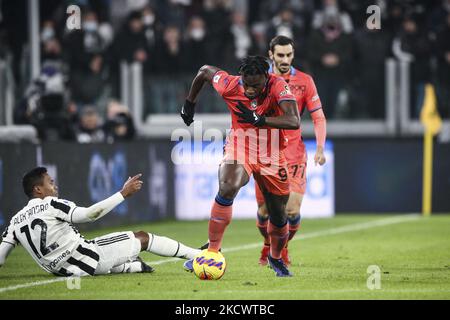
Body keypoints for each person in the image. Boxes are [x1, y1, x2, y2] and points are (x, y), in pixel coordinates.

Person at [180, 56, 300, 277]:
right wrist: (189, 104)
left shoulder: (277, 86)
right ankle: (212, 251)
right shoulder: (230, 85)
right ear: (241, 78)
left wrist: (260, 119)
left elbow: (294, 121)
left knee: (278, 214)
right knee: (228, 186)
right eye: (247, 84)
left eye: (256, 85)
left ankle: (275, 258)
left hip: (272, 153)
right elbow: (205, 70)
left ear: (266, 77)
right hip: (240, 145)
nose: (250, 90)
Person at [0, 167, 200, 276]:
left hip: (62, 271)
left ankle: (132, 267)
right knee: (143, 237)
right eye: (50, 183)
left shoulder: (15, 222)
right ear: (38, 190)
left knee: (104, 247)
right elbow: (89, 214)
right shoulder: (50, 204)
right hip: (87, 258)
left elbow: (1, 258)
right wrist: (122, 194)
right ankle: (200, 255)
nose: (55, 186)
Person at [256, 36, 327, 267]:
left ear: (293, 55)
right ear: (271, 55)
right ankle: (269, 246)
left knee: (292, 209)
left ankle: (280, 249)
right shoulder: (259, 79)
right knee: (265, 211)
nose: (285, 59)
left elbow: (318, 116)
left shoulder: (305, 81)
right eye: (280, 55)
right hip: (266, 153)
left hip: (294, 153)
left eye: (289, 55)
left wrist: (319, 147)